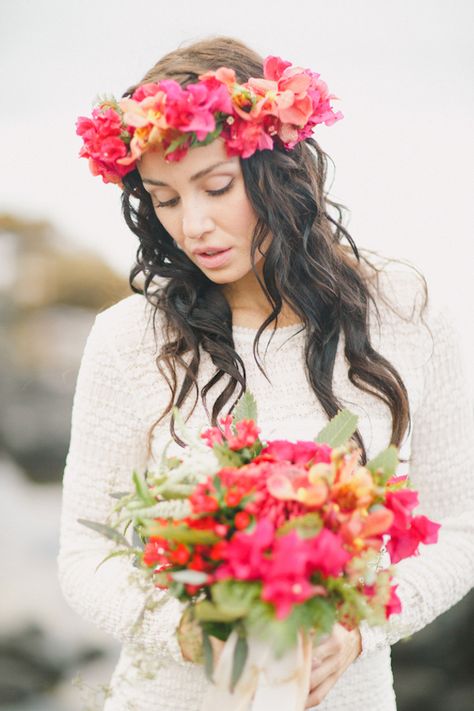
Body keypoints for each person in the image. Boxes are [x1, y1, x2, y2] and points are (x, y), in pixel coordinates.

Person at [58, 35, 474, 711]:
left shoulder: (411, 315)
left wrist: (359, 628)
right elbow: (82, 546)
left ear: (278, 168)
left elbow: (458, 528)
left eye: (217, 186)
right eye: (164, 199)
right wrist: (186, 630)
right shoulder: (130, 338)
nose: (193, 225)